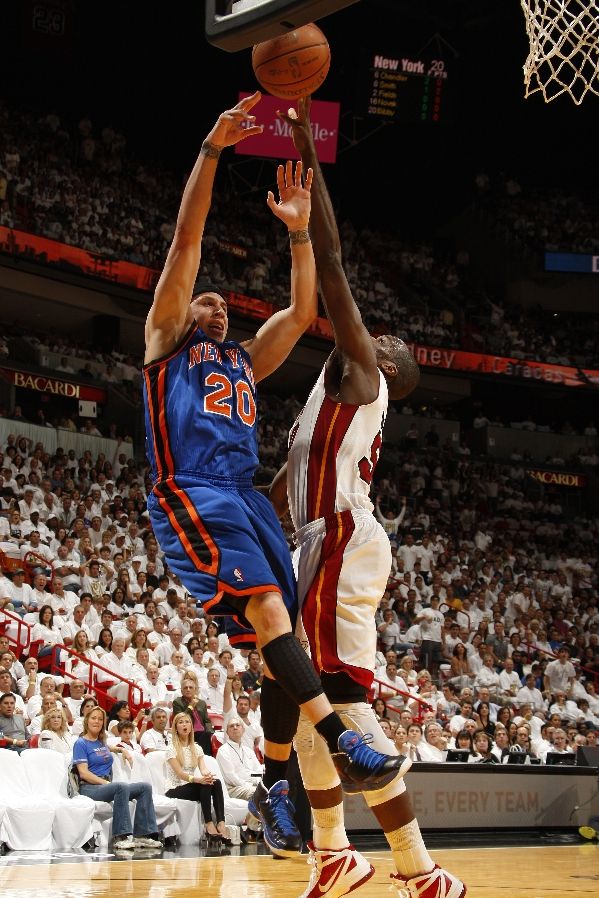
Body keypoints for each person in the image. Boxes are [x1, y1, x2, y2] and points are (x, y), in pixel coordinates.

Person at [142, 93, 406, 857]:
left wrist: (297, 234)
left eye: (226, 305)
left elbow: (298, 312)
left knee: (278, 641)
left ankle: (276, 783)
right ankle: (341, 742)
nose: (217, 306)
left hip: (250, 501)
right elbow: (185, 244)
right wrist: (211, 150)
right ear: (183, 312)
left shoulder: (245, 362)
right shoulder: (165, 341)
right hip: (192, 490)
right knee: (266, 614)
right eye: (207, 302)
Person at [270, 99, 465, 897]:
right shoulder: (320, 400)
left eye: (395, 346)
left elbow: (337, 268)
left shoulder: (364, 376)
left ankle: (418, 871)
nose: (382, 337)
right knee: (311, 698)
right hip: (314, 538)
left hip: (344, 538)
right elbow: (277, 485)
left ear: (391, 370)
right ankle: (334, 853)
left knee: (339, 702)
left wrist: (310, 157)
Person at [73, 705, 162, 850]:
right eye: (93, 718)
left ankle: (143, 835)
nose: (97, 721)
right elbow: (83, 773)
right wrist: (106, 783)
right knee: (121, 786)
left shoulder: (100, 742)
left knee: (145, 788)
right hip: (88, 787)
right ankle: (121, 836)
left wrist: (122, 750)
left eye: (100, 719)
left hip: (105, 786)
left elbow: (110, 748)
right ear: (87, 721)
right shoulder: (80, 743)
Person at [165, 712, 229, 846]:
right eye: (181, 722)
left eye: (187, 722)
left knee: (214, 782)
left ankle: (221, 823)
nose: (184, 725)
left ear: (191, 726)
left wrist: (208, 776)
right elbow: (180, 774)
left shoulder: (197, 748)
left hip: (192, 785)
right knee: (204, 784)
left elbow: (203, 769)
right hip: (174, 788)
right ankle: (209, 824)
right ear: (176, 727)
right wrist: (197, 780)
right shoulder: (171, 749)